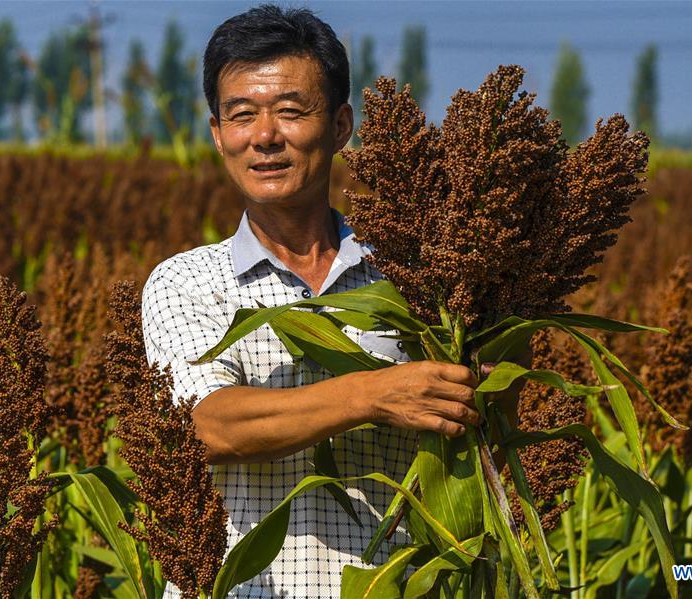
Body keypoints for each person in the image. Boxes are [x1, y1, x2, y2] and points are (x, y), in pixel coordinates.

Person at [142, 5, 517, 597]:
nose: (265, 137)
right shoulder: (188, 282)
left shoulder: (420, 279)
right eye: (241, 116)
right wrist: (375, 394)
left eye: (291, 111)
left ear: (342, 126)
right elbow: (210, 424)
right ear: (218, 135)